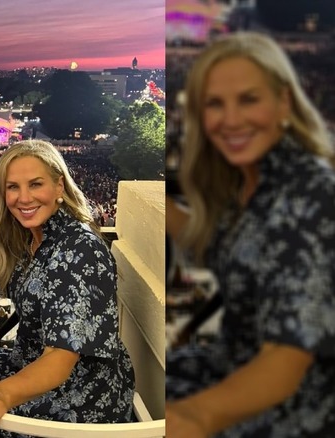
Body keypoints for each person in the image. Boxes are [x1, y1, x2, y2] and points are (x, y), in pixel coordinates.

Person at [165, 32, 335, 437]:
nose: (232, 120)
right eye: (215, 104)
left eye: (249, 99)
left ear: (284, 103)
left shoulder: (312, 197)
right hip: (236, 362)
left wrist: (192, 418)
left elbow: (286, 362)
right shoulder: (250, 180)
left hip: (301, 399)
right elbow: (227, 244)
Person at [0, 140, 134, 436]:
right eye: (13, 187)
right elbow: (8, 281)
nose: (23, 198)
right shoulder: (40, 237)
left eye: (35, 184)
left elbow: (61, 358)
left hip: (81, 395)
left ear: (59, 187)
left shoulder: (79, 249)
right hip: (34, 366)